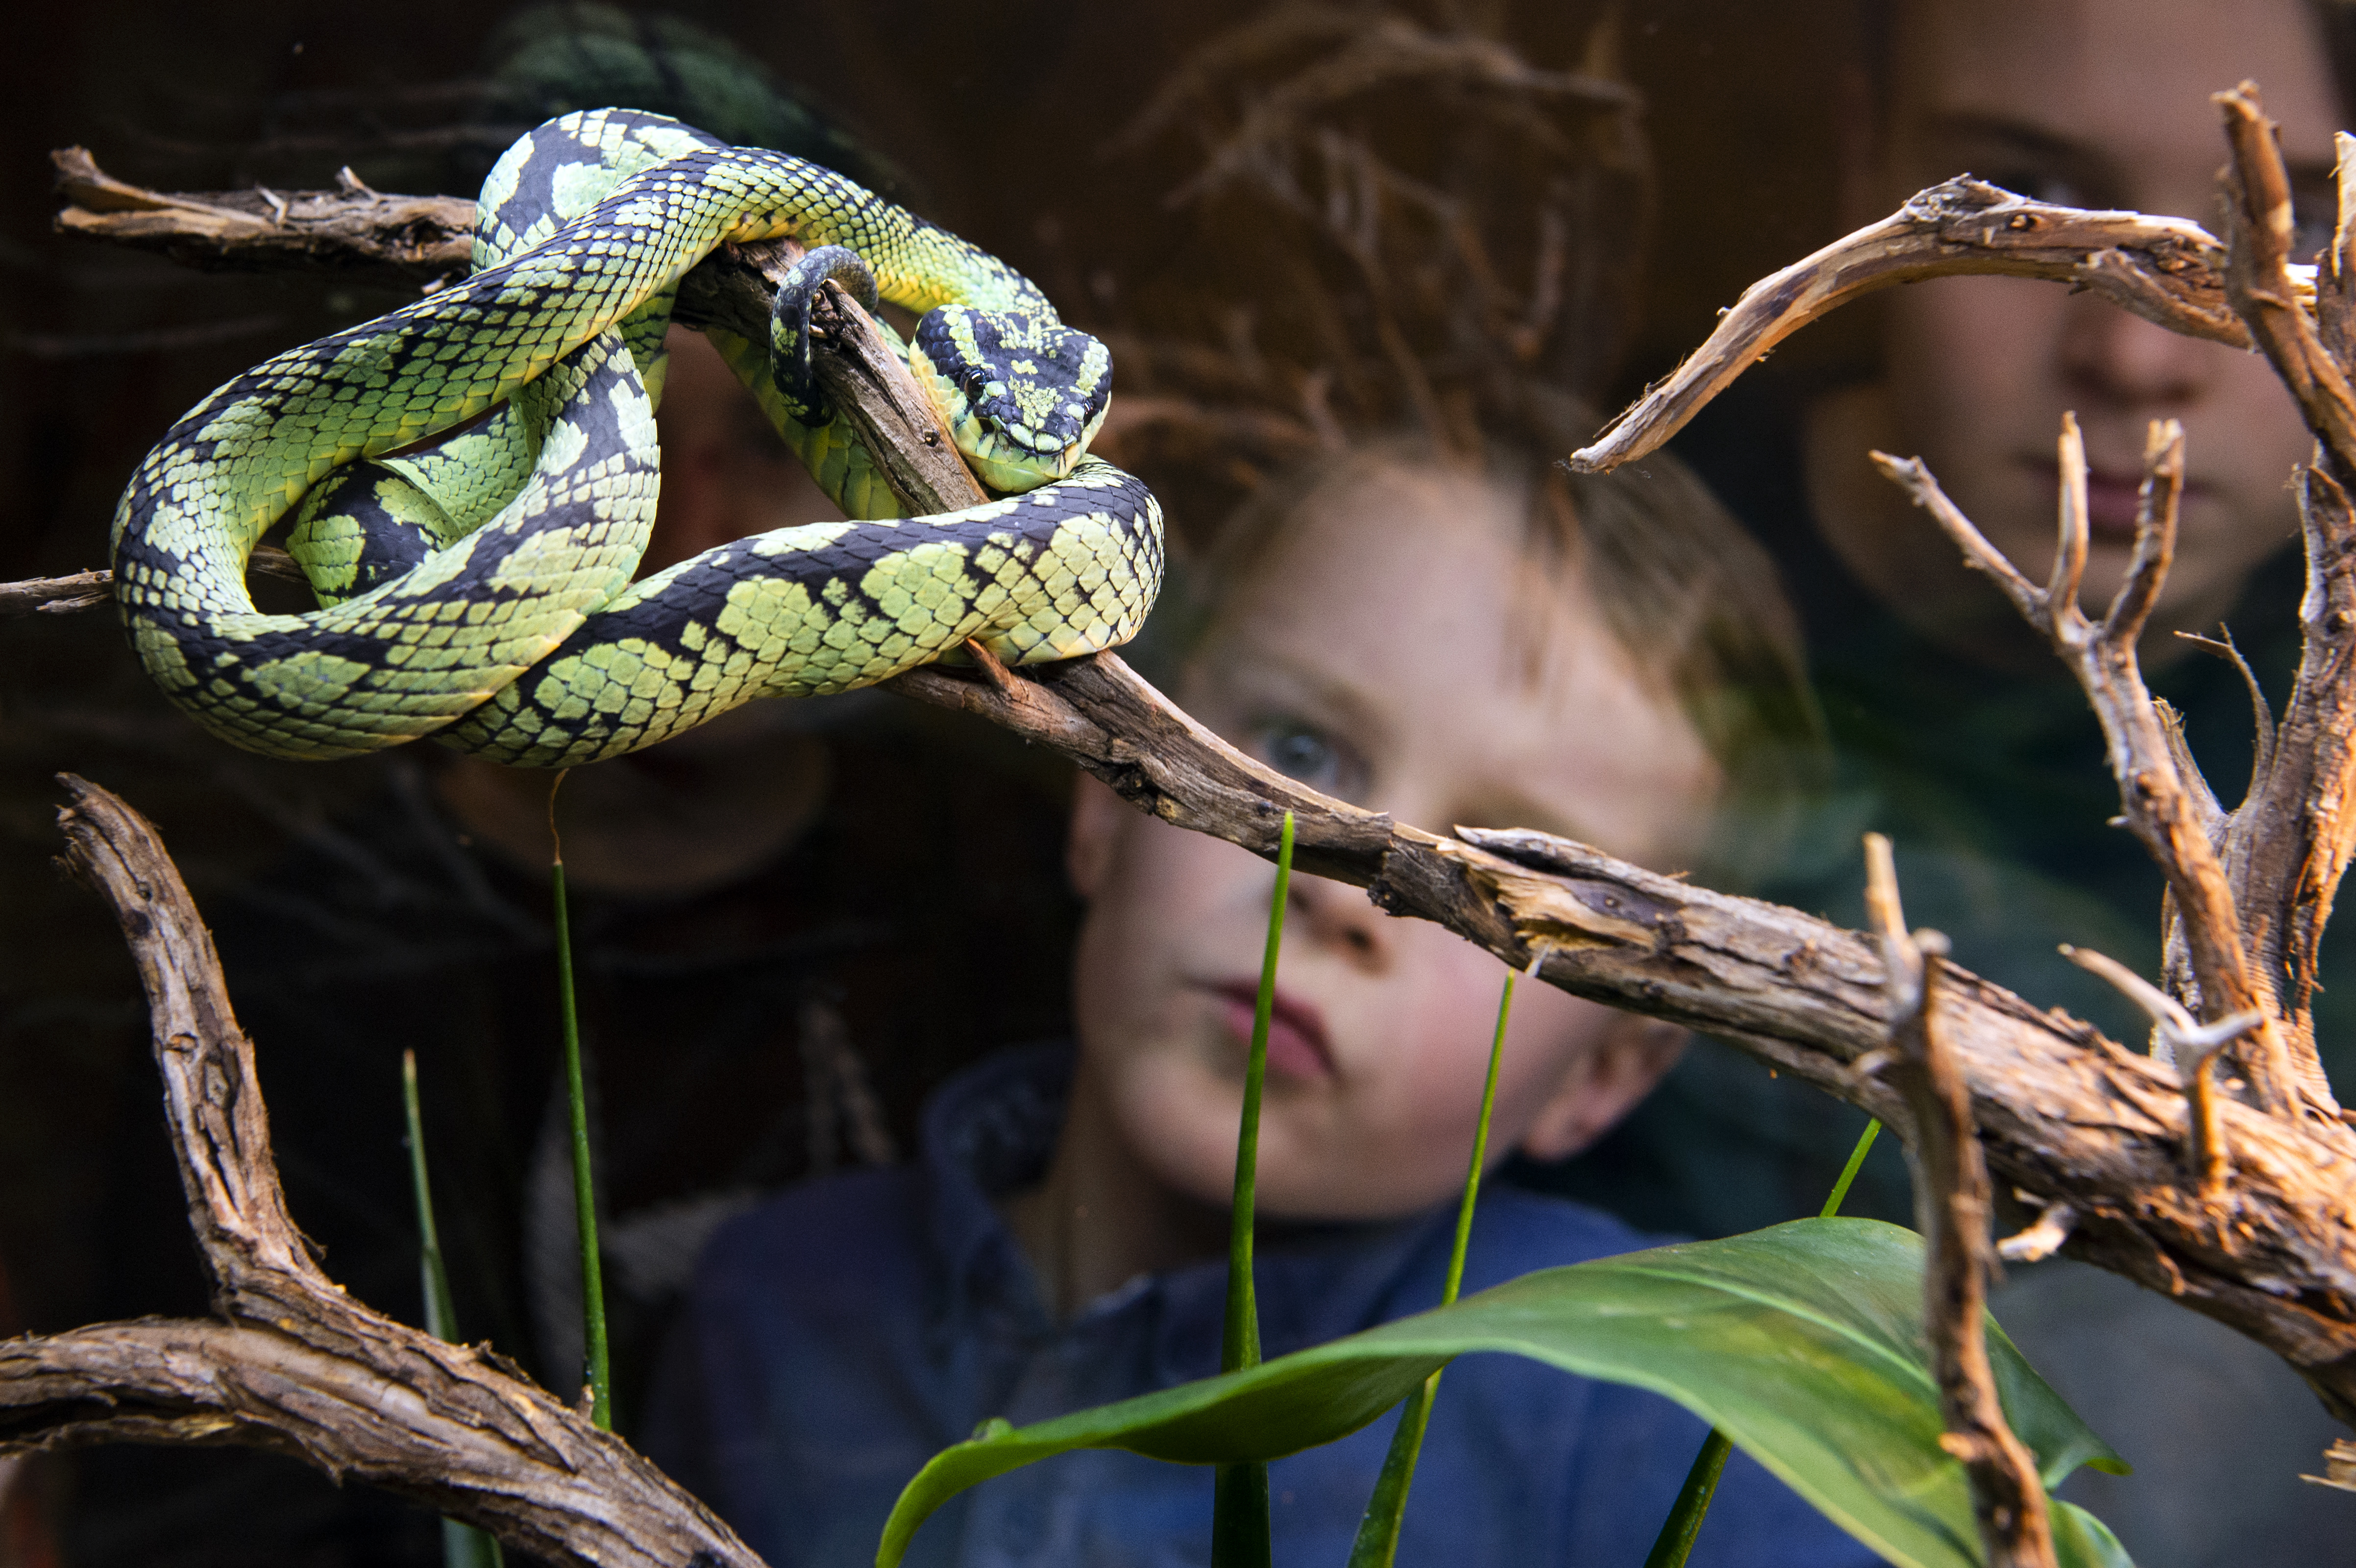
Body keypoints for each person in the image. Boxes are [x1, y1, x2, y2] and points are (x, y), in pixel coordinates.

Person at [641, 424, 1882, 1568]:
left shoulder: (1677, 1416)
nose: (1345, 890)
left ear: (1604, 1073)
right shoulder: (779, 1306)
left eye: (1513, 871)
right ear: (1102, 793)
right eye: (1298, 752)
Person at [1642, 0, 2356, 1560]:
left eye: (2274, 231)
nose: (2130, 341)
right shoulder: (1592, 600)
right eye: (2025, 211)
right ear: (1861, 164)